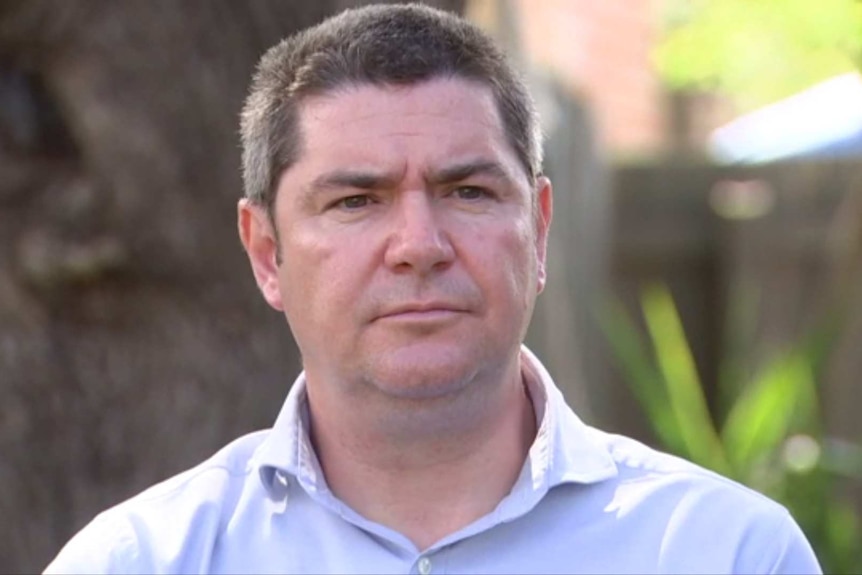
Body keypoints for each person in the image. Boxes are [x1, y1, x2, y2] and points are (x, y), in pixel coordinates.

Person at [45, 4, 822, 574]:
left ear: (540, 228)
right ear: (266, 252)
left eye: (468, 191)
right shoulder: (141, 560)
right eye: (355, 201)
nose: (419, 245)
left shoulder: (728, 552)